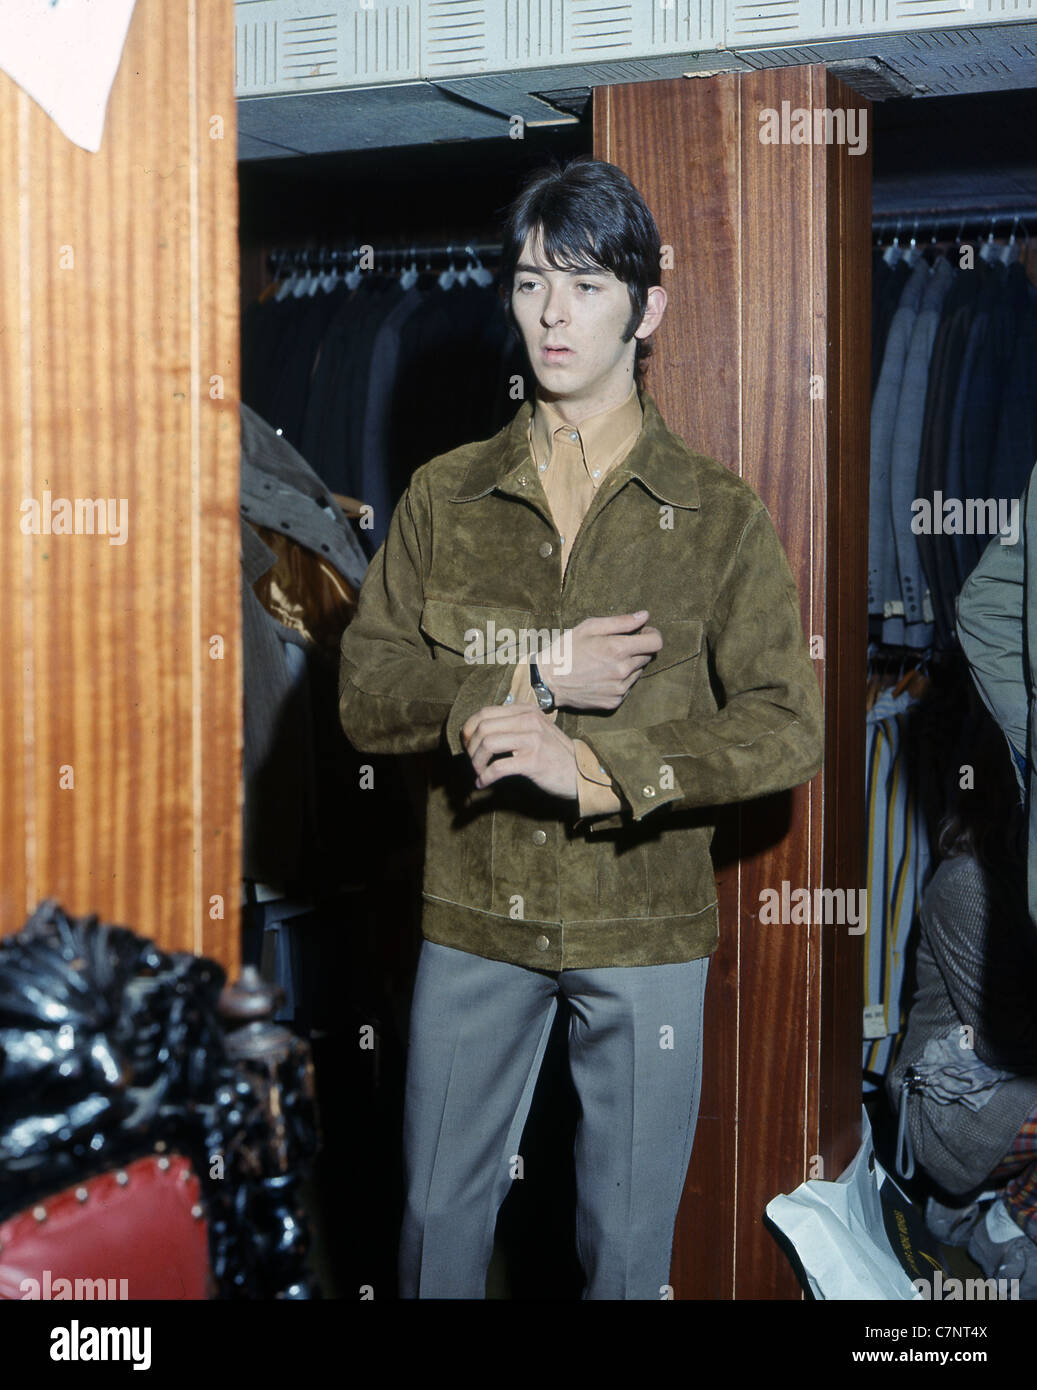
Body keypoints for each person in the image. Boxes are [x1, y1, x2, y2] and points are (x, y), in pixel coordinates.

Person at [338, 155, 824, 1299]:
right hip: (473, 916)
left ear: (646, 307)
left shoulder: (717, 513)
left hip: (643, 923)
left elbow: (784, 726)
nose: (551, 315)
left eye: (587, 285)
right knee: (432, 1233)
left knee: (624, 1252)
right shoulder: (443, 495)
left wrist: (601, 772)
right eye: (527, 283)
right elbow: (365, 693)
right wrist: (529, 675)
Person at [885, 689, 1037, 1296]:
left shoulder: (1023, 872)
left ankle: (1000, 1204)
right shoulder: (966, 881)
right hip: (956, 1110)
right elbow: (1007, 1042)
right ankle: (1003, 1221)